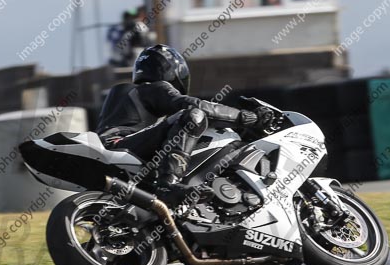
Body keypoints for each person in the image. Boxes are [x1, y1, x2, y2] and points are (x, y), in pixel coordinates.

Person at [96, 44, 274, 206]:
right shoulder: (153, 87)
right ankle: (168, 186)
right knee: (193, 116)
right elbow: (196, 106)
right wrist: (246, 117)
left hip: (115, 151)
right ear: (174, 72)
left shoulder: (129, 96)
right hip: (121, 146)